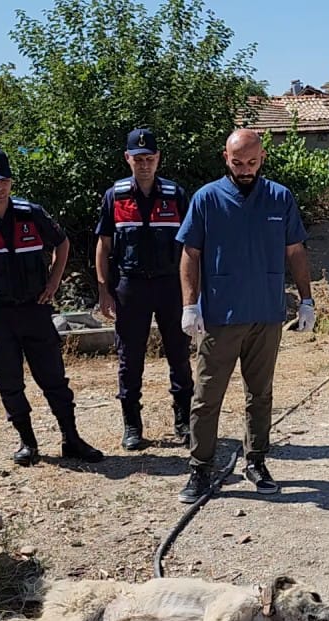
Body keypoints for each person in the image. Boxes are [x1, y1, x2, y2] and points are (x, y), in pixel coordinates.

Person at [0, 149, 104, 466]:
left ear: (11, 182)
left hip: (34, 310)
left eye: (4, 181)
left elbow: (62, 243)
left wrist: (54, 282)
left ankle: (72, 439)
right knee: (9, 382)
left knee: (54, 379)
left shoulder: (31, 213)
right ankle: (28, 443)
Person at [176, 129, 315, 503]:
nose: (245, 169)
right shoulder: (207, 199)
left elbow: (296, 251)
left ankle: (256, 460)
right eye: (238, 163)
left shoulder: (279, 198)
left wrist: (306, 299)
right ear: (226, 158)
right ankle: (200, 468)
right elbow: (190, 254)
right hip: (221, 315)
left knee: (261, 394)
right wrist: (191, 305)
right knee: (207, 396)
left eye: (252, 162)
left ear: (263, 158)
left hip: (266, 315)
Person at [94, 128, 194, 451]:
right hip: (130, 286)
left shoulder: (175, 194)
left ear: (158, 158)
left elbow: (191, 247)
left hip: (170, 286)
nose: (144, 165)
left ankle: (183, 420)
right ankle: (132, 425)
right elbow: (103, 244)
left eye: (150, 158)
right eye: (138, 159)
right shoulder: (116, 196)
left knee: (179, 354)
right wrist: (103, 290)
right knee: (129, 358)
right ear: (128, 159)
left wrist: (194, 294)